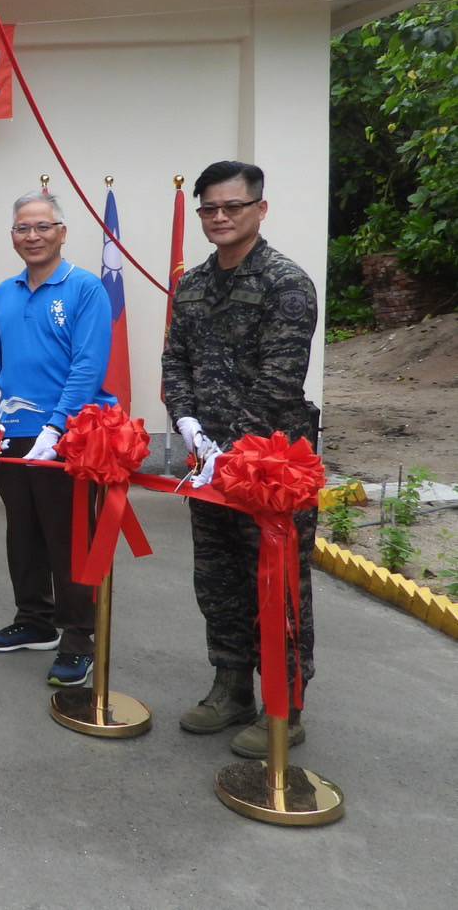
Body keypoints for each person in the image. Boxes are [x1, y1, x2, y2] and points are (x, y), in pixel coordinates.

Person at [163, 159, 321, 757]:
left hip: (270, 468)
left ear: (261, 208)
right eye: (210, 208)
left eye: (233, 206)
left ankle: (287, 705)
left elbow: (279, 381)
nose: (220, 217)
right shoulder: (195, 285)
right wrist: (189, 428)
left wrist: (227, 451)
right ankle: (230, 688)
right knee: (219, 580)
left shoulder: (286, 283)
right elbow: (174, 361)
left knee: (277, 586)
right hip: (207, 466)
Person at [0, 191, 114, 688]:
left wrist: (56, 427)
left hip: (67, 439)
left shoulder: (84, 289)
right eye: (22, 229)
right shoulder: (6, 293)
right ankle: (34, 620)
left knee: (69, 539)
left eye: (41, 227)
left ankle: (79, 638)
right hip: (12, 438)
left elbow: (87, 366)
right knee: (23, 533)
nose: (31, 237)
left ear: (62, 231)